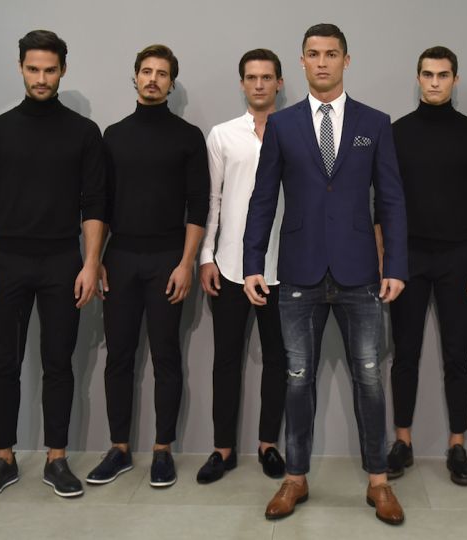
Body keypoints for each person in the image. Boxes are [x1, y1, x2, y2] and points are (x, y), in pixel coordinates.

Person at [243, 23, 408, 525]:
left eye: (331, 54)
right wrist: (252, 263)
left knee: (370, 378)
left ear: (345, 60)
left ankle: (378, 481)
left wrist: (396, 265)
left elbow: (392, 199)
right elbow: (263, 198)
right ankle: (295, 478)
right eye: (313, 54)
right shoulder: (283, 124)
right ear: (302, 61)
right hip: (300, 271)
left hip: (361, 272)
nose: (322, 62)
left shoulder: (374, 123)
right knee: (297, 380)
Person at [0, 29, 106, 500]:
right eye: (33, 69)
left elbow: (94, 203)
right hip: (6, 260)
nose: (41, 78)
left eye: (50, 70)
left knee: (58, 363)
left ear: (63, 70)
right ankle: (3, 460)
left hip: (62, 261)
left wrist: (90, 263)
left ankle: (56, 459)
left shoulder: (84, 133)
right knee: (3, 363)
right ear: (21, 68)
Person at [85, 44, 209, 488]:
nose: (153, 79)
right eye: (146, 71)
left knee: (166, 355)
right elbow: (99, 203)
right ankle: (119, 448)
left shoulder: (188, 136)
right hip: (119, 259)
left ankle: (162, 450)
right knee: (118, 356)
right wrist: (95, 259)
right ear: (135, 77)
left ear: (171, 83)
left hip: (167, 260)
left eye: (162, 73)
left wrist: (186, 263)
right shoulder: (113, 135)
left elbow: (199, 205)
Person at [384, 46, 467, 486]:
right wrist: (386, 260)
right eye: (428, 74)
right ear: (418, 78)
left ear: (455, 79)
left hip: (457, 259)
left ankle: (457, 446)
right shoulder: (396, 133)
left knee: (458, 356)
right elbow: (382, 203)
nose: (435, 82)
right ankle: (403, 442)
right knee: (404, 353)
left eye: (443, 75)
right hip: (407, 257)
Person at [195, 49, 287, 484]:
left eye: (267, 77)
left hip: (283, 266)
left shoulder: (296, 132)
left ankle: (268, 445)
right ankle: (223, 449)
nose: (259, 84)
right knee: (226, 360)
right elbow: (212, 199)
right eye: (252, 77)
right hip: (230, 265)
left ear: (279, 83)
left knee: (279, 359)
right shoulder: (222, 135)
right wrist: (206, 256)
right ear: (242, 83)